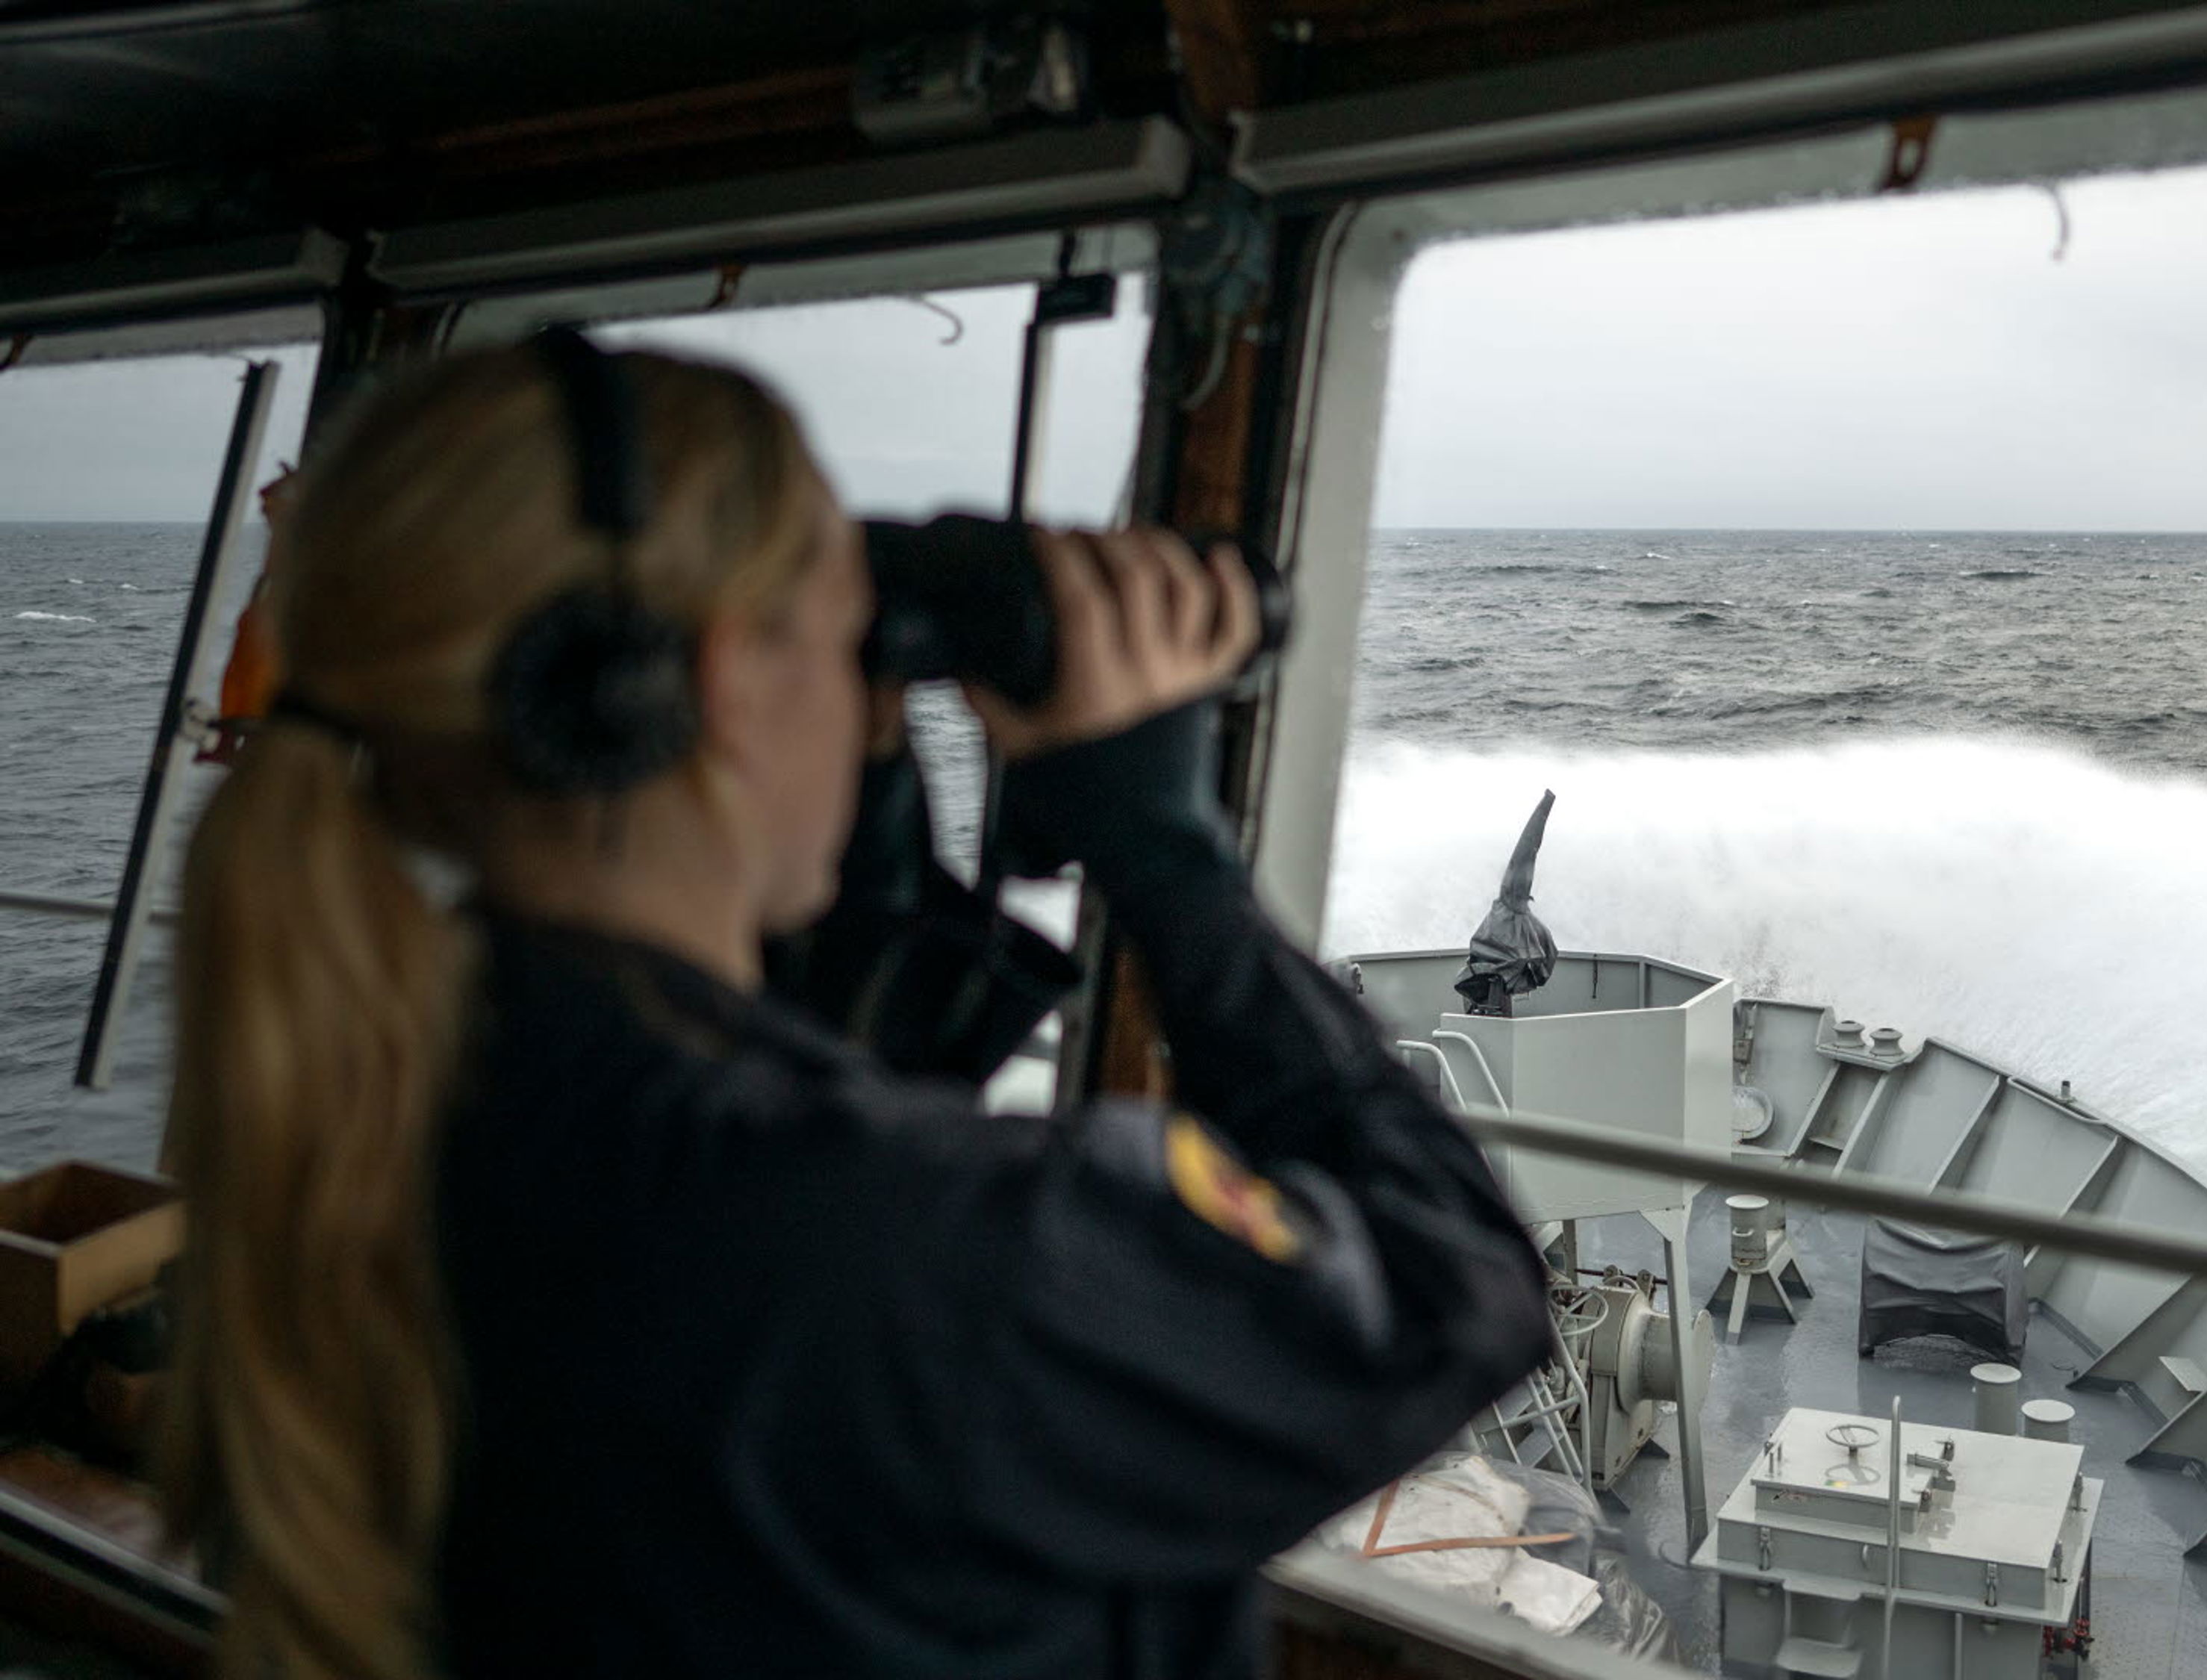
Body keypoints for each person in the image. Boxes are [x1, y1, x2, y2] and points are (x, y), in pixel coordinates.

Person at [153, 337, 1551, 1679]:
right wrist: (1172, 861)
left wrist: (875, 837)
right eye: (844, 638)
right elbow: (1458, 1286)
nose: (876, 684)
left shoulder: (382, 1091)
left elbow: (802, 1149)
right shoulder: (888, 1241)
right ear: (715, 685)